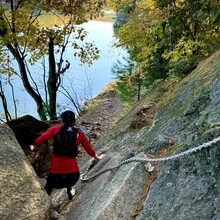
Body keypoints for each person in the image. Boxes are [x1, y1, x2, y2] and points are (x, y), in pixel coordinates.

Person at [32, 110, 105, 200]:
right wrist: (97, 158)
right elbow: (89, 149)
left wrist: (35, 149)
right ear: (74, 122)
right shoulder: (79, 133)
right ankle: (69, 191)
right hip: (73, 177)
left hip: (55, 178)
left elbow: (38, 141)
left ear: (62, 121)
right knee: (68, 182)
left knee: (48, 187)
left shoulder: (55, 129)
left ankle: (44, 203)